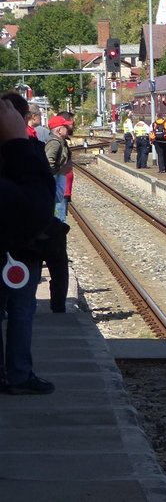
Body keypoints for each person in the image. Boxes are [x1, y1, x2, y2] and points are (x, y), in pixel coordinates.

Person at [0, 92, 57, 395]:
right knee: (22, 310)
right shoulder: (30, 151)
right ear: (21, 121)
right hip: (24, 249)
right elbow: (41, 202)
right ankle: (20, 375)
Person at [42, 115, 72, 314]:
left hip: (55, 194)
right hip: (53, 198)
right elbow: (48, 164)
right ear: (58, 129)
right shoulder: (54, 143)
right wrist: (61, 170)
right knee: (58, 259)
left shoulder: (59, 142)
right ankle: (58, 306)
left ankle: (58, 304)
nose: (69, 129)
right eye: (66, 127)